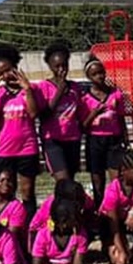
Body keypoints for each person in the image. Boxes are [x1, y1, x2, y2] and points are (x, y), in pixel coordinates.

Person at [0, 43, 40, 209]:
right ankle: (4, 225)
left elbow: (33, 114)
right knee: (2, 191)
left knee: (27, 190)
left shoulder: (30, 90)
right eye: (0, 73)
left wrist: (28, 90)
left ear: (16, 67)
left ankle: (29, 227)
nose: (6, 75)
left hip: (27, 148)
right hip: (6, 150)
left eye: (8, 70)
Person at [30, 196, 107, 264]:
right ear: (63, 223)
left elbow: (78, 262)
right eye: (75, 217)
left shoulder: (80, 234)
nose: (79, 218)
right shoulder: (43, 235)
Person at [80, 57, 127, 207]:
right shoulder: (85, 98)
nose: (99, 76)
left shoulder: (115, 94)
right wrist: (94, 113)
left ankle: (118, 208)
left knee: (116, 179)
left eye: (101, 72)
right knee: (98, 180)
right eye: (95, 74)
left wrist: (125, 137)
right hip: (95, 141)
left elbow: (120, 117)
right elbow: (83, 126)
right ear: (89, 77)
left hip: (114, 140)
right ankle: (100, 211)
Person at [36, 40, 84, 183]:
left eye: (64, 65)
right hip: (53, 141)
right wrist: (59, 93)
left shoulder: (75, 88)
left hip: (73, 139)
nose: (61, 69)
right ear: (50, 66)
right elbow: (43, 116)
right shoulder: (43, 87)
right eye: (57, 66)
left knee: (71, 180)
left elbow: (80, 112)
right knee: (63, 181)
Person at [0, 161, 29, 252]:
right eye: (2, 180)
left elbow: (11, 235)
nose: (6, 183)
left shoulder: (17, 207)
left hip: (9, 249)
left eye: (9, 181)